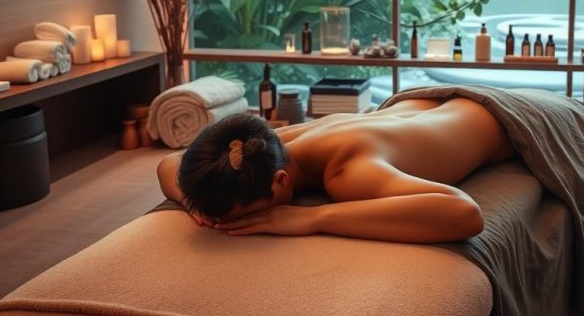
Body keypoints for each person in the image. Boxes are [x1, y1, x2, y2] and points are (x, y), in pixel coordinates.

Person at [156, 97, 514, 243]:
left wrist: (314, 218)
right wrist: (195, 201)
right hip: (433, 102)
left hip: (510, 118)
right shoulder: (267, 145)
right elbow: (167, 164)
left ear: (280, 182)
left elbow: (465, 213)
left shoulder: (347, 173)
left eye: (242, 216)